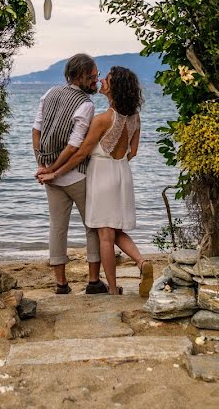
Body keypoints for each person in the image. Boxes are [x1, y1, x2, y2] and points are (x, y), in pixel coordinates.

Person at [38, 66, 154, 297]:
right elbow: (133, 151)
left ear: (114, 88)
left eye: (107, 80)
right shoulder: (135, 117)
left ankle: (111, 289)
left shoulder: (102, 119)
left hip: (101, 176)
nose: (101, 81)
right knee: (115, 229)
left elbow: (80, 154)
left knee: (105, 236)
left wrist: (55, 173)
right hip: (122, 173)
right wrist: (117, 162)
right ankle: (141, 263)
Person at [32, 53, 106, 294]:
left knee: (57, 227)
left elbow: (36, 131)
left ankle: (61, 284)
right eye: (92, 77)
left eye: (96, 76)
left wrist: (42, 165)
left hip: (51, 176)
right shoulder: (86, 104)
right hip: (77, 176)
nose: (95, 81)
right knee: (92, 226)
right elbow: (74, 146)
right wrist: (51, 170)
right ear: (79, 76)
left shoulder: (49, 93)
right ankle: (93, 282)